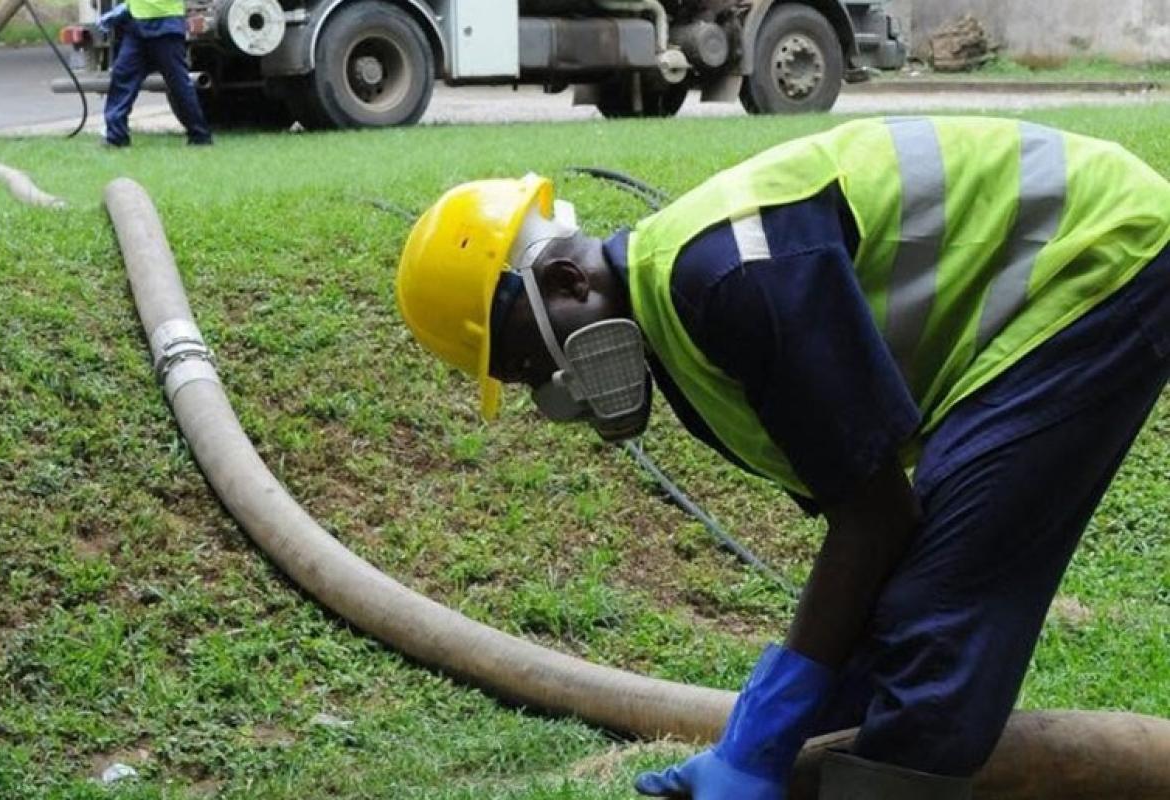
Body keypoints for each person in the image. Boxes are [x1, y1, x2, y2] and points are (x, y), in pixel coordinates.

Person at [393, 116, 1170, 799]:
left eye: (532, 361)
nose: (556, 391)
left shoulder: (725, 277)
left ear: (565, 280)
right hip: (1052, 290)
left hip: (1097, 256)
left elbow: (876, 518)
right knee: (906, 614)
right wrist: (787, 738)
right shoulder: (685, 347)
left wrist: (764, 733)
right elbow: (874, 538)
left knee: (939, 624)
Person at [96, 0, 212, 148]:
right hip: (138, 25)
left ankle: (200, 136)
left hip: (166, 24)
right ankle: (115, 137)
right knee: (122, 76)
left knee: (178, 85)